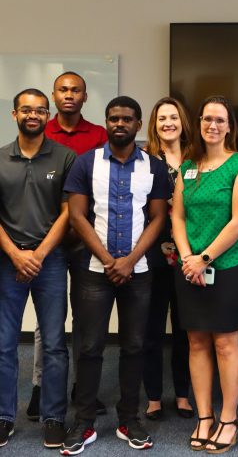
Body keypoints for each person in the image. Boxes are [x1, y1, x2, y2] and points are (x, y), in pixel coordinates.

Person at [62, 96, 169, 455]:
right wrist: (109, 259)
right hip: (95, 270)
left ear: (139, 125)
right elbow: (77, 216)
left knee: (135, 345)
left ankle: (129, 418)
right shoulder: (85, 163)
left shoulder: (153, 166)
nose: (119, 124)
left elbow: (158, 218)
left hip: (138, 271)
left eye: (127, 119)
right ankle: (84, 421)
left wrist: (130, 259)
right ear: (106, 122)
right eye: (113, 118)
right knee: (90, 347)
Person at [172, 95, 238, 454]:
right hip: (190, 269)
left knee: (225, 343)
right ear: (199, 123)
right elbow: (177, 216)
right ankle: (204, 417)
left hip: (228, 267)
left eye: (220, 120)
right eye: (207, 119)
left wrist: (204, 257)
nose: (212, 125)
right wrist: (188, 257)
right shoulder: (188, 167)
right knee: (196, 342)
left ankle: (228, 418)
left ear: (229, 127)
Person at [27, 71, 108, 422]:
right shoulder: (40, 131)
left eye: (76, 90)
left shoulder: (100, 136)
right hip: (51, 239)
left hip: (88, 239)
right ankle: (41, 388)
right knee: (49, 322)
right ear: (53, 96)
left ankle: (81, 387)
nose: (69, 95)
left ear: (85, 97)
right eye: (63, 89)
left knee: (86, 318)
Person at [0, 89, 76, 449]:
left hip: (50, 262)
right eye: (27, 110)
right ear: (15, 114)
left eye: (40, 110)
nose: (34, 115)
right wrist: (16, 254)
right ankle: (3, 417)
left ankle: (53, 418)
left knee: (55, 344)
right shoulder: (0, 159)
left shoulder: (65, 157)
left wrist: (38, 255)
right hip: (6, 261)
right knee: (3, 344)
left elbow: (68, 213)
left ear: (48, 115)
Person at [142, 97, 193, 421]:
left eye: (173, 117)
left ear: (182, 121)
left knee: (187, 329)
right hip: (154, 251)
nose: (168, 123)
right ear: (154, 124)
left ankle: (184, 394)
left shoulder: (197, 158)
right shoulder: (144, 158)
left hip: (191, 252)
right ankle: (154, 397)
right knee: (152, 328)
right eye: (162, 118)